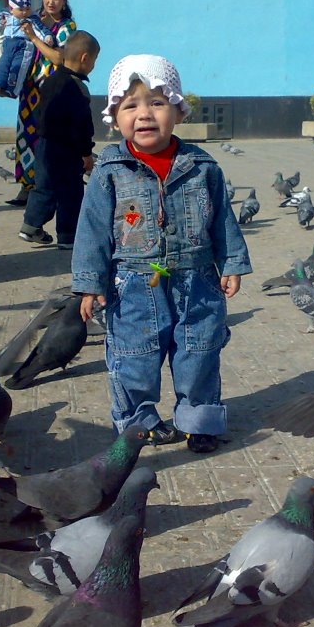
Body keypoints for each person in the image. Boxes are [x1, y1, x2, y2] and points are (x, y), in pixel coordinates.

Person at [72, 55, 252, 454]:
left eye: (157, 102)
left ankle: (199, 419)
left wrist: (233, 262)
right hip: (135, 285)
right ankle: (139, 424)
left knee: (199, 352)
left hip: (198, 280)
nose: (144, 114)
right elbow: (93, 231)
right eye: (130, 105)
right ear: (115, 115)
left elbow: (222, 218)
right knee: (133, 357)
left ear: (178, 110)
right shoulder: (109, 170)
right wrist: (89, 283)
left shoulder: (203, 167)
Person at [19, 31, 100, 249]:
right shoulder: (78, 87)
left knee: (44, 186)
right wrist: (86, 152)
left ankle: (31, 225)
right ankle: (68, 235)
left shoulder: (50, 80)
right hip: (68, 149)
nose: (93, 65)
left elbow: (38, 113)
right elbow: (83, 125)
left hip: (45, 145)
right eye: (94, 60)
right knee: (71, 191)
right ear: (85, 58)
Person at [7, 0, 77, 207]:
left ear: (64, 1)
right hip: (29, 88)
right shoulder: (34, 18)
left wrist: (35, 38)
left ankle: (45, 188)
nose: (50, 1)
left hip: (50, 90)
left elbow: (59, 57)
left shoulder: (67, 27)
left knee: (46, 138)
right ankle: (26, 188)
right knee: (25, 137)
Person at [0, 0, 53, 100]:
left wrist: (47, 37)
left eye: (27, 9)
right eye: (21, 9)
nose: (24, 12)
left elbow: (40, 28)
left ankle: (13, 90)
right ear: (12, 8)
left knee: (19, 67)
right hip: (8, 43)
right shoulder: (7, 14)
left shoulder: (31, 18)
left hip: (23, 45)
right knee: (3, 64)